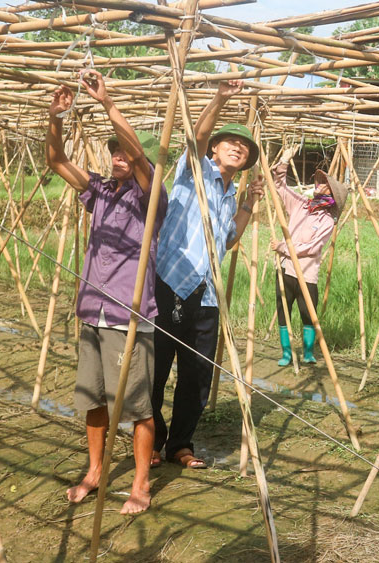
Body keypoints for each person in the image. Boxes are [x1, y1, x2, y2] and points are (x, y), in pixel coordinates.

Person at [46, 69, 167, 515]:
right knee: (93, 400)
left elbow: (139, 157)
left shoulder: (150, 196)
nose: (119, 157)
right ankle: (95, 472)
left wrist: (108, 103)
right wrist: (55, 117)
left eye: (126, 153)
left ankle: (140, 483)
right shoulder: (98, 191)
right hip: (92, 313)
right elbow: (57, 162)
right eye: (113, 150)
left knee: (136, 405)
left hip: (130, 316)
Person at [151, 79, 264, 470]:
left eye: (245, 146)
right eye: (231, 141)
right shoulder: (194, 169)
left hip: (208, 294)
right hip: (170, 284)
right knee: (154, 369)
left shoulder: (230, 193)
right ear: (215, 148)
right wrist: (219, 99)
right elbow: (196, 137)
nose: (238, 146)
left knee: (197, 375)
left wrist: (248, 204)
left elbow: (229, 240)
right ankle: (150, 439)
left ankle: (180, 444)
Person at [270, 146, 347, 366]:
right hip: (287, 269)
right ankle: (286, 353)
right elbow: (279, 186)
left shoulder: (327, 221)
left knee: (307, 313)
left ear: (331, 195)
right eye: (320, 182)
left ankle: (308, 352)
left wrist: (284, 247)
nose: (319, 185)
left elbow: (312, 247)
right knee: (284, 312)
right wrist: (284, 160)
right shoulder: (300, 205)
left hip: (307, 273)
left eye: (324, 185)